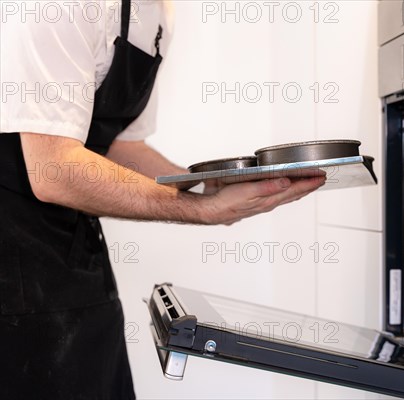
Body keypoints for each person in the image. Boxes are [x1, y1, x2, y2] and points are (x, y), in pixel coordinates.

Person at [0, 1, 325, 398]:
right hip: (13, 266)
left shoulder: (160, 14)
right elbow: (55, 169)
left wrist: (204, 185)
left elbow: (118, 144)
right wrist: (199, 210)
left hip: (75, 253)